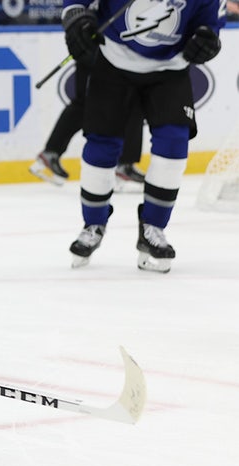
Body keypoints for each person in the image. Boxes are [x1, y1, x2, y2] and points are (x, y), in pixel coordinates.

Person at [61, 0, 224, 273]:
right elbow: (75, 4)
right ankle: (93, 223)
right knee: (101, 145)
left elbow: (210, 22)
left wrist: (207, 38)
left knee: (173, 143)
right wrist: (76, 18)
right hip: (113, 60)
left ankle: (153, 227)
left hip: (170, 69)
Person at [30, 61, 147, 189]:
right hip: (93, 54)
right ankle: (51, 152)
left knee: (133, 101)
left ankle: (125, 164)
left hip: (118, 55)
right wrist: (77, 44)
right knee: (87, 101)